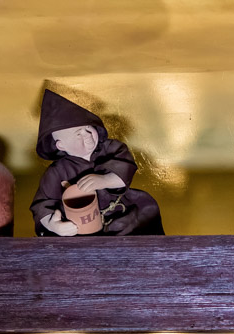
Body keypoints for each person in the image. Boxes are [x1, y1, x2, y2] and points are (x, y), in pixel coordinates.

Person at [32, 90, 163, 237]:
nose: (87, 136)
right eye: (78, 134)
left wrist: (105, 180)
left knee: (145, 216)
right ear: (61, 145)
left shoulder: (112, 148)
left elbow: (126, 169)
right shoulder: (56, 172)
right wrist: (54, 225)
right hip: (80, 228)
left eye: (88, 128)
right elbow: (42, 204)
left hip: (121, 215)